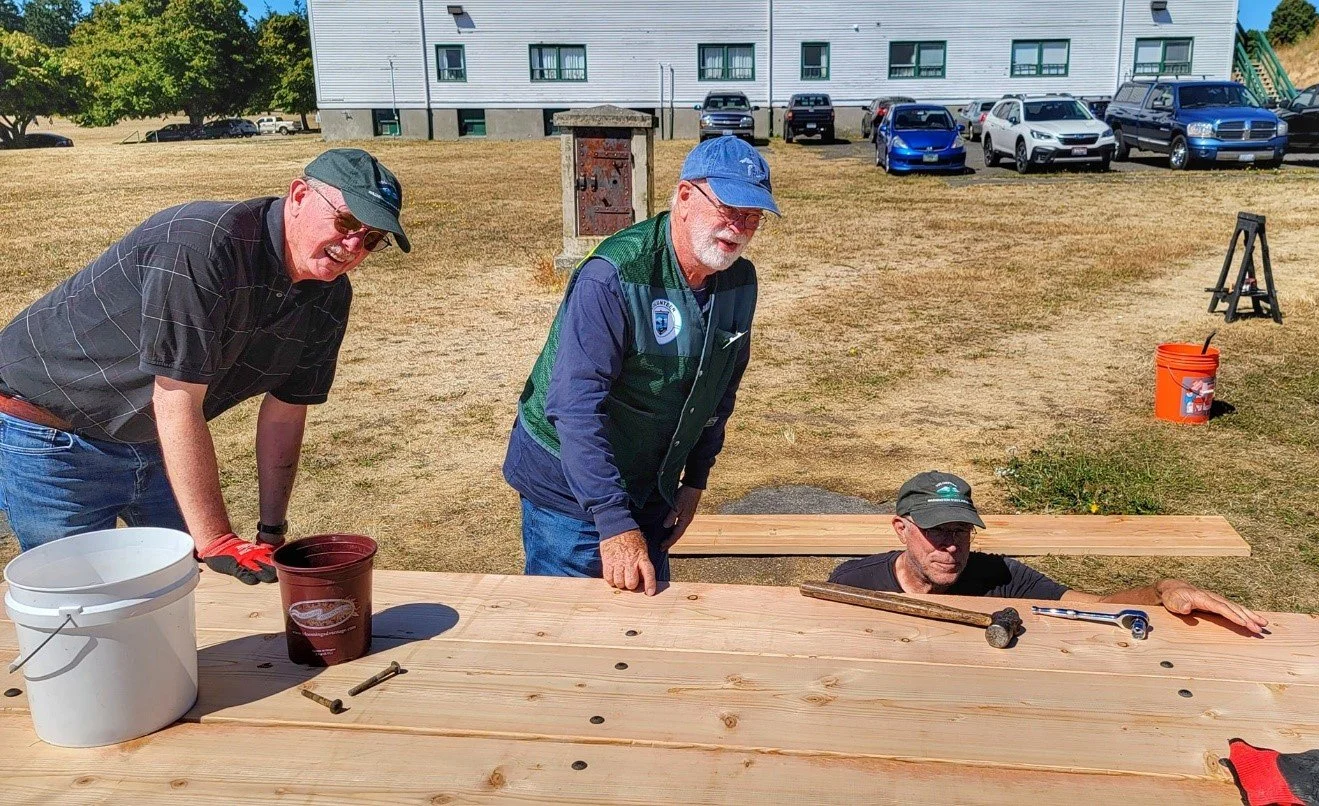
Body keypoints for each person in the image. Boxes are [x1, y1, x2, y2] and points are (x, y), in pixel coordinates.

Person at [0, 148, 410, 584]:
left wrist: (271, 532)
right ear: (299, 196)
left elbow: (286, 412)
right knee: (77, 599)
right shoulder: (201, 244)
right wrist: (215, 537)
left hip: (152, 439)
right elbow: (175, 399)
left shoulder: (328, 297)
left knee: (179, 588)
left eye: (371, 239)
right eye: (347, 222)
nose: (352, 246)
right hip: (51, 437)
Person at [503, 137, 778, 596]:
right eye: (729, 208)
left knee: (646, 625)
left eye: (753, 217)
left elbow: (718, 391)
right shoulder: (613, 276)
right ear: (686, 197)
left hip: (653, 482)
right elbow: (575, 407)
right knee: (569, 630)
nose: (739, 227)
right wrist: (613, 523)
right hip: (570, 491)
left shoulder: (739, 282)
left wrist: (695, 482)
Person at [830, 471, 1269, 634]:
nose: (950, 546)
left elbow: (1095, 609)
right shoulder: (853, 583)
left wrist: (1162, 590)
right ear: (901, 529)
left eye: (961, 531)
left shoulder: (1002, 578)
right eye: (936, 531)